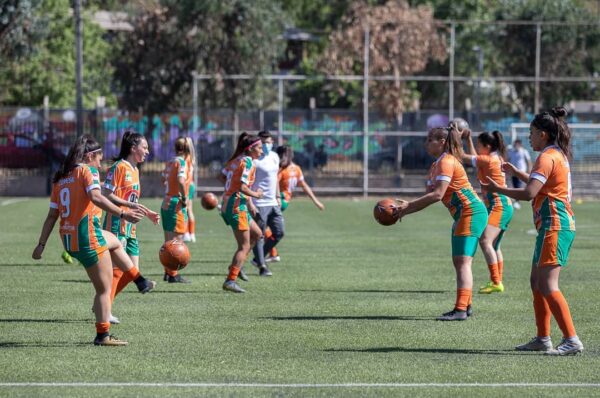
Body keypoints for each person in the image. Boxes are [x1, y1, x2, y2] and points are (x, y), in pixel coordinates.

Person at [483, 107, 583, 355]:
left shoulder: (547, 157)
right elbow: (541, 184)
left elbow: (529, 194)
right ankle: (542, 338)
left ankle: (571, 339)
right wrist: (518, 173)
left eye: (532, 132)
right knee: (536, 282)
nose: (529, 137)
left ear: (544, 134)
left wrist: (499, 189)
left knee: (548, 285)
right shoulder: (554, 154)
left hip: (555, 225)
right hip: (550, 226)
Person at [32, 134, 145, 346]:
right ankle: (103, 335)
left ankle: (139, 279)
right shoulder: (87, 170)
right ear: (90, 156)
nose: (101, 163)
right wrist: (123, 214)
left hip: (69, 239)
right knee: (103, 290)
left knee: (115, 241)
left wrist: (41, 245)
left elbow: (51, 216)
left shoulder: (61, 178)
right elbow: (96, 197)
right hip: (88, 238)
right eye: (99, 158)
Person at [396, 126, 488, 321]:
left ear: (442, 142)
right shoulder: (438, 164)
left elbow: (437, 195)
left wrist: (408, 206)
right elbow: (431, 195)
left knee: (463, 262)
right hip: (465, 214)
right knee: (461, 262)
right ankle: (465, 306)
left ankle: (461, 309)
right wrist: (405, 210)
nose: (426, 143)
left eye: (430, 139)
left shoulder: (446, 161)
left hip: (471, 213)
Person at [102, 130, 160, 323]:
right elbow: (106, 194)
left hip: (131, 227)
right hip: (117, 224)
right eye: (145, 147)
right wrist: (128, 207)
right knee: (119, 270)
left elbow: (132, 201)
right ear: (133, 148)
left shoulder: (135, 170)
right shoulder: (119, 167)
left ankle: (101, 306)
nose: (148, 152)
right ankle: (104, 309)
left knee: (132, 271)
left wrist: (148, 212)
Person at [461, 130, 513, 294]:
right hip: (503, 205)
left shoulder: (488, 160)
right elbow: (476, 157)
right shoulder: (494, 158)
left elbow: (463, 156)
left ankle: (496, 282)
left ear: (487, 146)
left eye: (478, 145)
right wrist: (468, 139)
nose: (476, 147)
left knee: (485, 241)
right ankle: (497, 281)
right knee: (494, 246)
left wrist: (455, 139)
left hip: (500, 205)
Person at [264, 145, 325, 262]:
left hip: (278, 200)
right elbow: (304, 186)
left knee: (261, 227)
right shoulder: (296, 168)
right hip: (285, 201)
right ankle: (272, 253)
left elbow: (274, 182)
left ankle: (272, 253)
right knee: (264, 227)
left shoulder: (281, 170)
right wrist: (316, 201)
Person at [220, 132, 264, 293]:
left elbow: (224, 177)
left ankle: (236, 266)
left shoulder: (237, 160)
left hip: (233, 203)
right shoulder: (248, 162)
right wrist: (256, 195)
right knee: (244, 246)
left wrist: (248, 201)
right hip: (236, 205)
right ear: (251, 149)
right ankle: (230, 280)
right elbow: (243, 187)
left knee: (257, 234)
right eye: (259, 148)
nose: (262, 151)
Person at [249, 131, 282, 276]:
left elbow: (275, 177)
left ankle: (257, 258)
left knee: (279, 232)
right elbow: (247, 183)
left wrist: (278, 196)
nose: (265, 145)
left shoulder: (275, 156)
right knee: (259, 235)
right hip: (259, 203)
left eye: (268, 142)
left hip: (273, 202)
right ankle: (262, 266)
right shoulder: (254, 160)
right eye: (262, 142)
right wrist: (251, 202)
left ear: (272, 142)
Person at [161, 136, 191, 283]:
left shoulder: (170, 161)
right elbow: (180, 180)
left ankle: (168, 272)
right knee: (177, 241)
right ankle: (173, 274)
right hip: (175, 203)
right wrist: (184, 197)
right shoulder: (182, 162)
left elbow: (163, 179)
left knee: (168, 240)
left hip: (165, 202)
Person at [507, 139, 532, 209]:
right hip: (513, 172)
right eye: (515, 144)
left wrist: (529, 169)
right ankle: (517, 200)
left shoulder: (524, 151)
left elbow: (528, 161)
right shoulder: (511, 151)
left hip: (521, 171)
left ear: (520, 144)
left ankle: (517, 201)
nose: (516, 145)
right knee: (515, 185)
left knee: (518, 185)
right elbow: (508, 160)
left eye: (518, 144)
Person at [183, 137, 197, 243]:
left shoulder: (184, 159)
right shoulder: (192, 157)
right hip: (191, 185)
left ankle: (187, 233)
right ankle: (191, 234)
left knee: (185, 210)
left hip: (187, 186)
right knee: (189, 210)